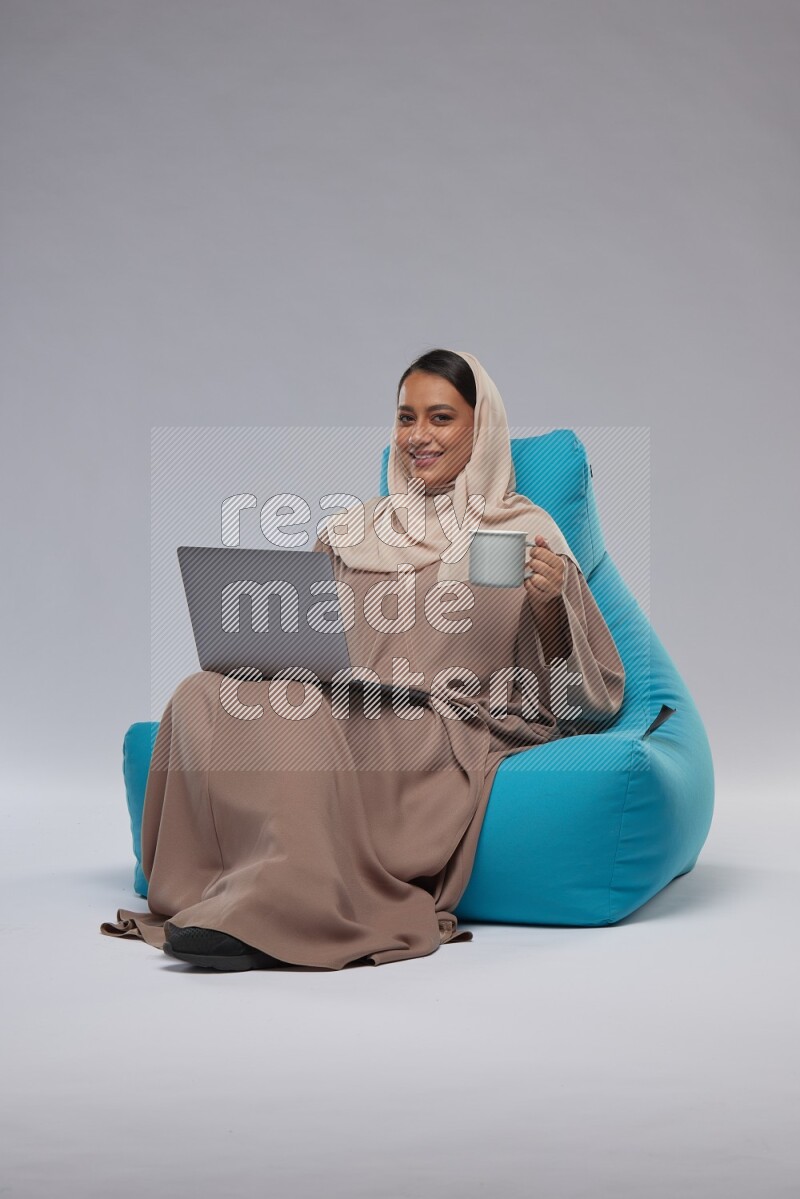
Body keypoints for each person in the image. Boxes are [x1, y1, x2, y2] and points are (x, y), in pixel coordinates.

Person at [100, 348, 625, 971]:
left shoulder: (526, 534)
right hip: (343, 700)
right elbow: (307, 639)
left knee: (296, 713)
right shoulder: (354, 530)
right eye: (406, 418)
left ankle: (283, 907)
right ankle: (218, 891)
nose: (419, 436)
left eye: (440, 418)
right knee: (202, 693)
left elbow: (588, 702)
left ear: (480, 428)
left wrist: (549, 602)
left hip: (442, 722)